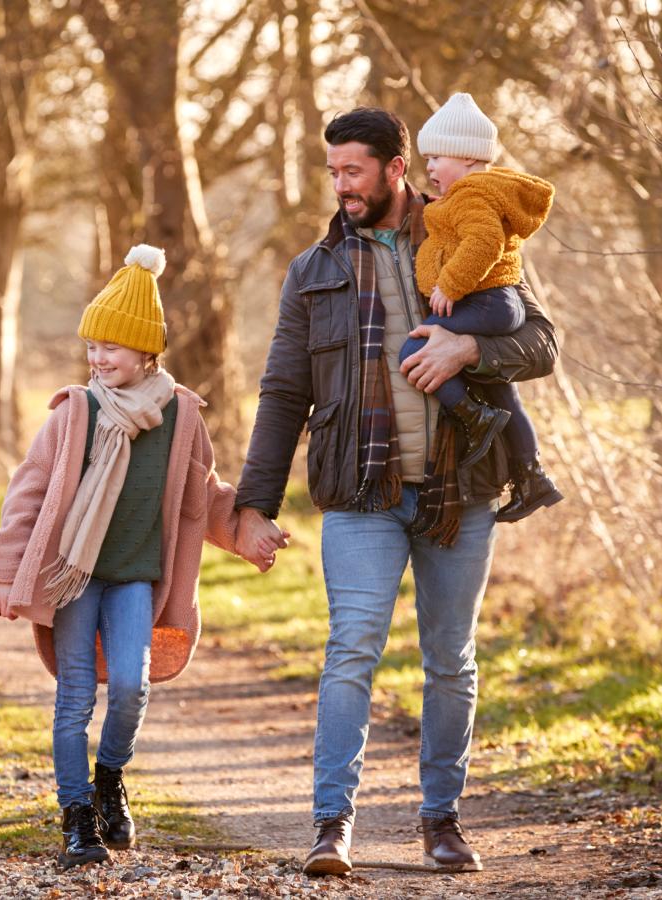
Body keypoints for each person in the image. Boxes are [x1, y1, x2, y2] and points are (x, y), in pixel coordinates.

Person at [232, 107, 558, 876]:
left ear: (395, 169)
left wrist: (468, 346)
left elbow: (541, 341)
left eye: (354, 171)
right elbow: (283, 394)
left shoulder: (468, 232)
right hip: (360, 495)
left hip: (460, 490)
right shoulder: (313, 272)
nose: (341, 186)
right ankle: (330, 825)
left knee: (450, 660)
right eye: (333, 172)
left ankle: (441, 820)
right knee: (351, 649)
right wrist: (253, 506)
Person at [0, 244, 270, 871]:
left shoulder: (182, 418)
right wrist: (8, 572)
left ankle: (110, 777)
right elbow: (28, 489)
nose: (98, 358)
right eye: (92, 347)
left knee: (135, 688)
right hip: (73, 576)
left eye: (112, 347)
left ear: (148, 353)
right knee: (74, 697)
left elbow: (205, 495)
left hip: (136, 577)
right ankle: (76, 814)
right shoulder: (76, 412)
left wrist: (246, 530)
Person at [397, 93, 563, 522]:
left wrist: (449, 287)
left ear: (469, 159)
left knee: (415, 348)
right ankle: (533, 477)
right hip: (496, 301)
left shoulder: (471, 194)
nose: (429, 167)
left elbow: (484, 242)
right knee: (503, 390)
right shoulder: (472, 194)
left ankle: (474, 417)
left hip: (489, 301)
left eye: (437, 157)